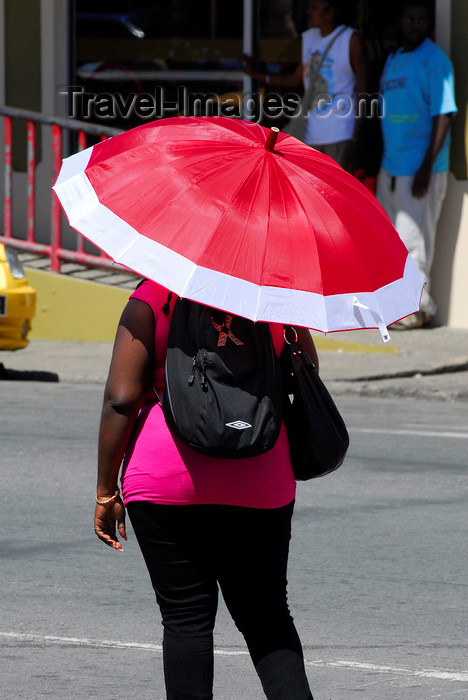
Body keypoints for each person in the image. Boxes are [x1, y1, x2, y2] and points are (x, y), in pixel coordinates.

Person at [93, 278, 318, 700]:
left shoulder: (153, 297)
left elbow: (121, 398)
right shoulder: (276, 297)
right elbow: (304, 377)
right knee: (267, 619)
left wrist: (106, 490)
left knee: (185, 619)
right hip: (260, 476)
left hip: (165, 479)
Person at [376, 0, 457, 329]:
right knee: (390, 242)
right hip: (391, 167)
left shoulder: (435, 60)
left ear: (428, 24)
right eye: (410, 18)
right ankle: (398, 306)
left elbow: (444, 114)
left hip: (422, 169)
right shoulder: (394, 59)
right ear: (402, 21)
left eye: (421, 19)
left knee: (413, 241)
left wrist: (426, 166)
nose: (415, 24)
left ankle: (419, 309)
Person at [242, 0, 367, 171]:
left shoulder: (350, 39)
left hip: (340, 133)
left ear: (331, 12)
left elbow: (363, 91)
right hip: (311, 132)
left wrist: (355, 139)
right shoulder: (310, 38)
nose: (308, 12)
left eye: (314, 8)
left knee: (334, 192)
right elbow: (295, 79)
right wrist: (256, 75)